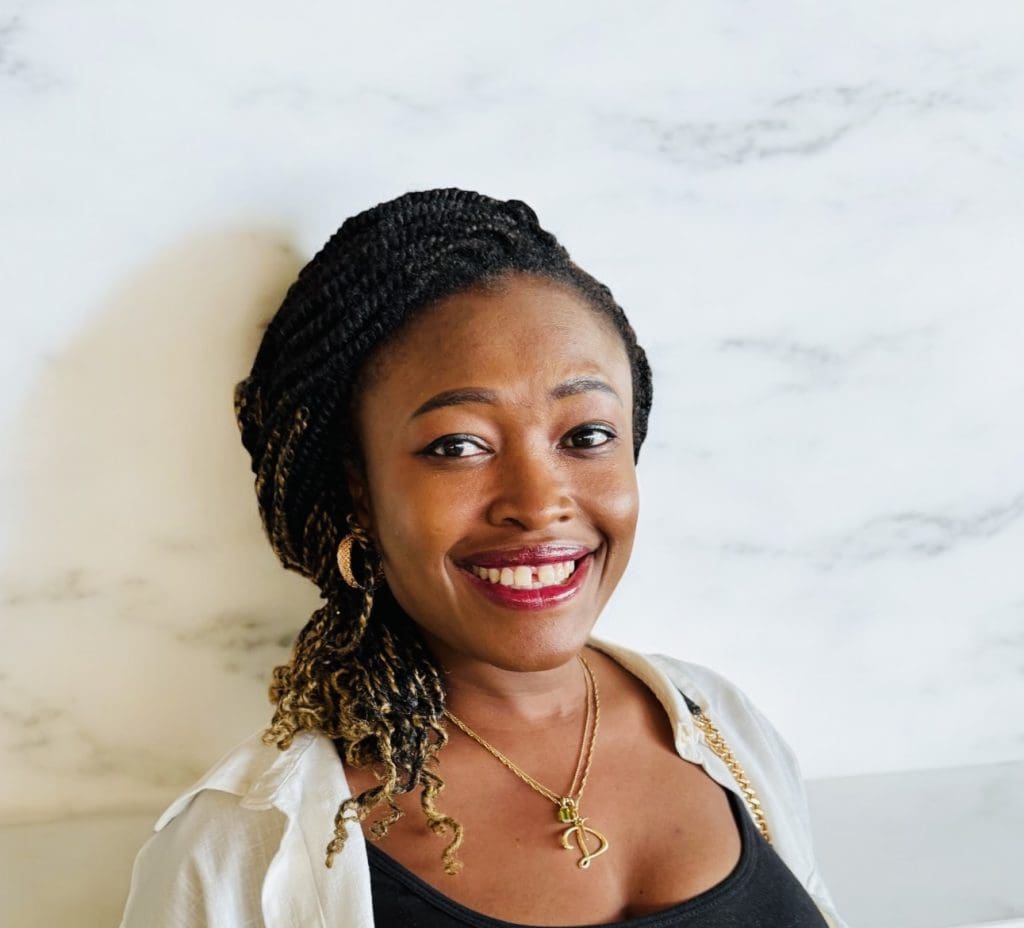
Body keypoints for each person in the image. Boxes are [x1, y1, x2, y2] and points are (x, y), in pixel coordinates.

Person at [119, 188, 845, 927]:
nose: (538, 502)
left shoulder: (720, 723)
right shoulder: (239, 853)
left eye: (588, 436)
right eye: (458, 445)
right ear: (359, 489)